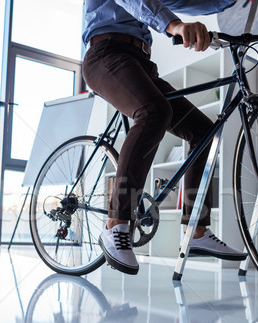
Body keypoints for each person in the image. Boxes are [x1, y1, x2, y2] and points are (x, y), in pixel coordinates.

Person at [83, 0, 248, 275]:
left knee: (203, 131)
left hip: (140, 63)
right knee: (153, 112)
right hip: (105, 54)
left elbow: (181, 2)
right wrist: (174, 25)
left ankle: (196, 230)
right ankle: (116, 224)